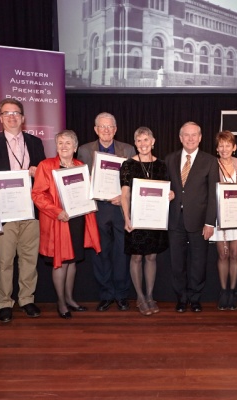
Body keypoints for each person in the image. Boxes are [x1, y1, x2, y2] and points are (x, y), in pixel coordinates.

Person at [0, 99, 46, 323]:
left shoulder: (35, 143)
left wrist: (39, 172)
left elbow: (43, 178)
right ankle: (4, 302)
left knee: (28, 259)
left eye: (16, 113)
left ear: (23, 118)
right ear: (1, 118)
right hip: (4, 213)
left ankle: (26, 299)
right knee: (4, 261)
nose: (12, 117)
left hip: (30, 211)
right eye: (6, 113)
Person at [32, 130, 102, 319]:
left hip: (77, 219)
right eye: (60, 143)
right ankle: (61, 302)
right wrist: (57, 212)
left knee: (72, 261)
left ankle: (70, 299)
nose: (64, 146)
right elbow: (38, 194)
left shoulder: (80, 166)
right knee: (60, 262)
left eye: (68, 143)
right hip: (58, 220)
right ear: (56, 146)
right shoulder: (46, 166)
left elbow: (85, 192)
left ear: (75, 147)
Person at [77, 112, 136, 312]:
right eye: (102, 127)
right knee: (100, 254)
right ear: (95, 129)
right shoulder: (85, 151)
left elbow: (134, 180)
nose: (106, 130)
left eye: (110, 127)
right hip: (97, 209)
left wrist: (125, 196)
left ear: (116, 129)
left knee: (121, 253)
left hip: (121, 208)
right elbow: (79, 182)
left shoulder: (127, 149)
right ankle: (105, 294)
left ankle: (121, 294)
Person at [166, 121, 219, 313]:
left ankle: (195, 298)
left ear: (200, 137)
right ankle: (181, 298)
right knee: (177, 263)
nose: (190, 138)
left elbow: (213, 194)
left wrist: (209, 222)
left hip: (199, 221)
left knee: (198, 262)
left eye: (194, 135)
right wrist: (167, 193)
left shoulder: (210, 161)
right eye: (186, 135)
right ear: (180, 138)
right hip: (175, 220)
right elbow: (165, 187)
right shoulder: (170, 159)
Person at [120, 127, 174, 316]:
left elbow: (166, 190)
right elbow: (124, 195)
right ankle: (140, 297)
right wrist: (126, 217)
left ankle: (150, 295)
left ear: (153, 141)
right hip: (136, 219)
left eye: (146, 140)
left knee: (151, 256)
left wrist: (171, 194)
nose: (143, 144)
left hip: (154, 219)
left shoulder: (161, 165)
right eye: (139, 140)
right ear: (135, 143)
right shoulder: (128, 165)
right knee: (136, 257)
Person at [210, 131, 237, 310]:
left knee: (235, 254)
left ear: (234, 147)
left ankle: (233, 291)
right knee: (223, 255)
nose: (224, 149)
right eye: (221, 145)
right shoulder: (212, 164)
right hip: (220, 217)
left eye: (228, 145)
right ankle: (223, 291)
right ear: (217, 148)